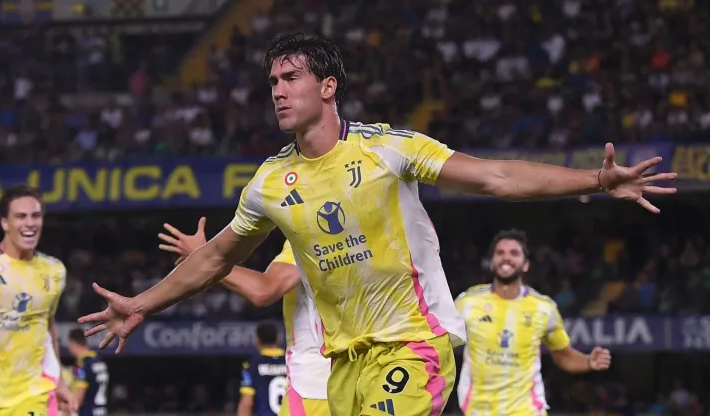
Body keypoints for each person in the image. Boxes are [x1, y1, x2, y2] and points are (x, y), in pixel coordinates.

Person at [78, 33, 676, 416]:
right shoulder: (268, 183)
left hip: (414, 344)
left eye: (291, 80)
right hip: (342, 364)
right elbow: (215, 259)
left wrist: (596, 181)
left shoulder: (391, 149)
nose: (278, 93)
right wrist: (142, 304)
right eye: (273, 83)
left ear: (328, 87)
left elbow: (495, 177)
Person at [158, 217, 330, 416]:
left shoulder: (310, 239)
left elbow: (264, 290)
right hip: (357, 379)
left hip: (314, 387)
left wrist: (205, 258)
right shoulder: (362, 239)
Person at [455, 230, 612, 415]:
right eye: (500, 253)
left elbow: (563, 355)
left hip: (527, 410)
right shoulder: (466, 302)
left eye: (514, 253)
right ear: (492, 262)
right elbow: (441, 344)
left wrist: (588, 361)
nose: (506, 258)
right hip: (477, 410)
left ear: (526, 264)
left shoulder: (544, 308)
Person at [0, 184, 77, 416]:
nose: (30, 223)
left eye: (35, 216)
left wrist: (59, 381)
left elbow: (47, 328)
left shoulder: (54, 271)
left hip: (31, 394)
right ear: (5, 223)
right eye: (20, 216)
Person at [238, 322, 288, 416]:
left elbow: (247, 401)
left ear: (258, 340)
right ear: (278, 339)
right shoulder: (291, 361)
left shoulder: (252, 364)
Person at [69, 329, 109, 416]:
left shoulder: (81, 364)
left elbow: (80, 395)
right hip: (101, 411)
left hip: (88, 412)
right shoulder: (99, 360)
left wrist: (71, 411)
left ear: (72, 342)